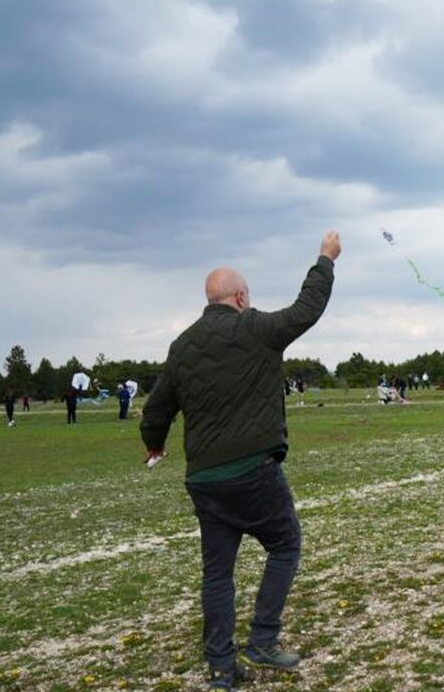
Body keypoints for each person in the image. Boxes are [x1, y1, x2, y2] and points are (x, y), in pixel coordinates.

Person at [140, 231, 339, 689]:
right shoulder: (254, 327)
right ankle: (263, 639)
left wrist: (154, 444)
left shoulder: (182, 346)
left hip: (205, 480)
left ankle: (221, 668)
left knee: (217, 575)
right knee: (285, 546)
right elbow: (305, 310)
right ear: (242, 296)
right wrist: (325, 260)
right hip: (252, 472)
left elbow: (156, 410)